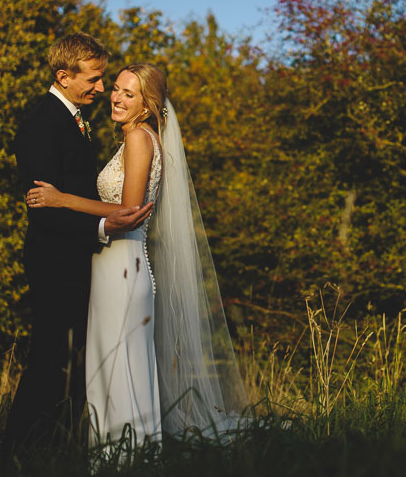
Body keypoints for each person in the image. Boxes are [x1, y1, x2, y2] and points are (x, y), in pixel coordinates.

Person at [26, 63, 247, 452]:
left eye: (130, 94)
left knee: (119, 364)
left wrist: (62, 199)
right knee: (110, 365)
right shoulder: (135, 138)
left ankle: (128, 459)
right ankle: (118, 457)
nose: (115, 97)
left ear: (147, 105)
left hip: (123, 265)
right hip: (115, 264)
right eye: (115, 89)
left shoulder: (140, 141)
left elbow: (127, 210)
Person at [6, 33, 153, 456]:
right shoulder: (41, 123)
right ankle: (17, 454)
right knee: (49, 361)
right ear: (63, 76)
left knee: (73, 367)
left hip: (78, 261)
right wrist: (105, 229)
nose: (101, 88)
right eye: (94, 79)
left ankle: (67, 450)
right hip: (54, 262)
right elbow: (44, 208)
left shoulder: (73, 118)